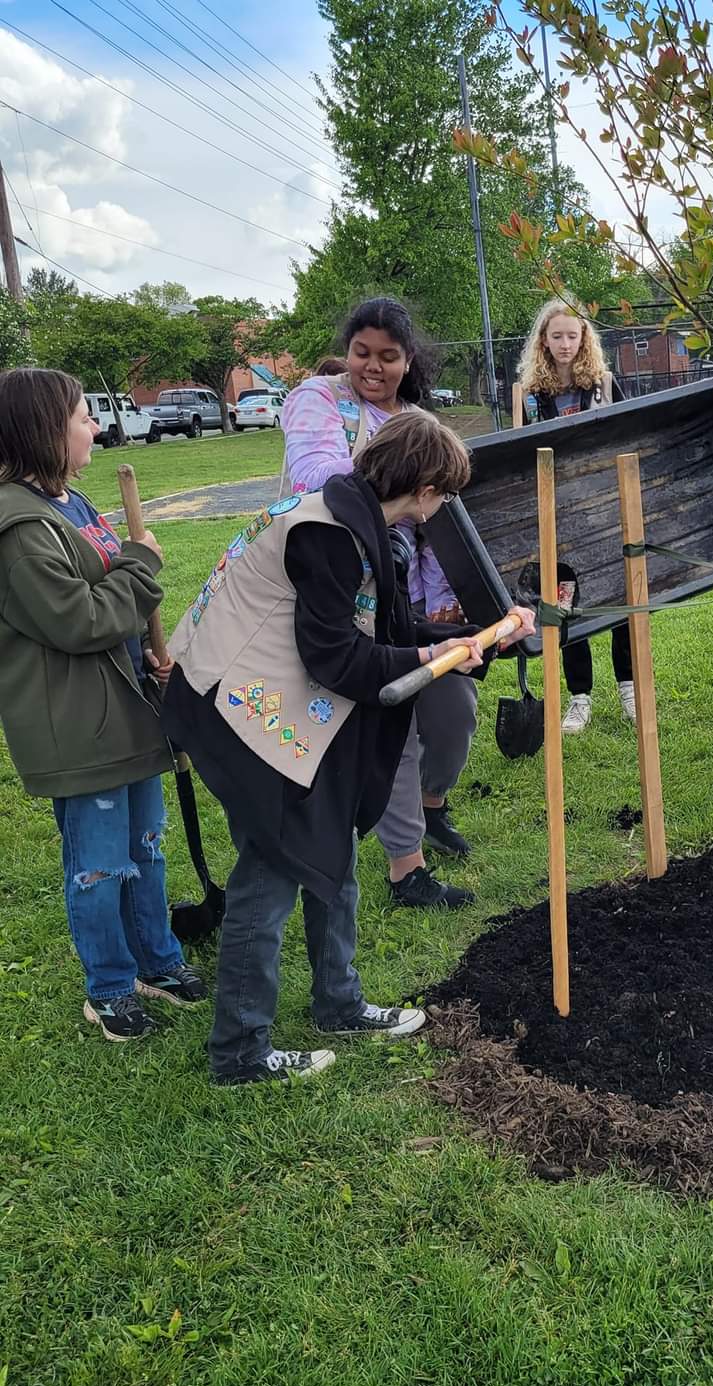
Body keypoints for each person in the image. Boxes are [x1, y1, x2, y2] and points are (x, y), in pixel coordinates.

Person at [163, 412, 533, 1084]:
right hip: (236, 711)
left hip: (276, 705)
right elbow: (336, 658)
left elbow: (385, 625)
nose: (441, 508)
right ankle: (240, 1053)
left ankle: (338, 1001)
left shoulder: (352, 516)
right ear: (420, 486)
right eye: (442, 493)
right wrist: (428, 652)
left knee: (327, 844)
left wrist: (475, 639)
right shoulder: (327, 533)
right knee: (272, 871)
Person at [0, 368, 207, 1042]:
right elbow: (77, 620)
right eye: (83, 415)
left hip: (125, 709)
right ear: (44, 430)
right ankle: (110, 987)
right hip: (76, 726)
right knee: (97, 864)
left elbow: (110, 609)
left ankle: (157, 960)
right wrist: (143, 565)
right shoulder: (20, 529)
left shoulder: (73, 505)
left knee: (146, 846)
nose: (94, 426)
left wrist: (143, 648)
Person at [282, 297, 478, 909]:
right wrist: (393, 469)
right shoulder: (318, 399)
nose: (372, 367)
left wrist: (446, 605)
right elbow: (316, 474)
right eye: (361, 353)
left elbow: (442, 520)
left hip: (407, 597)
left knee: (451, 710)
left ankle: (430, 807)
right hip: (342, 590)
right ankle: (405, 866)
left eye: (387, 357)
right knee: (387, 723)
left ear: (407, 359)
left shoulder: (418, 417)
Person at [518, 297, 635, 734]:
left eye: (573, 335)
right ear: (544, 342)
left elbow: (626, 435)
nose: (565, 344)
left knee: (621, 599)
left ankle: (629, 689)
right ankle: (580, 697)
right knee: (567, 603)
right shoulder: (529, 395)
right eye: (556, 336)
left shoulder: (604, 384)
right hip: (557, 512)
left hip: (604, 508)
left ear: (584, 338)